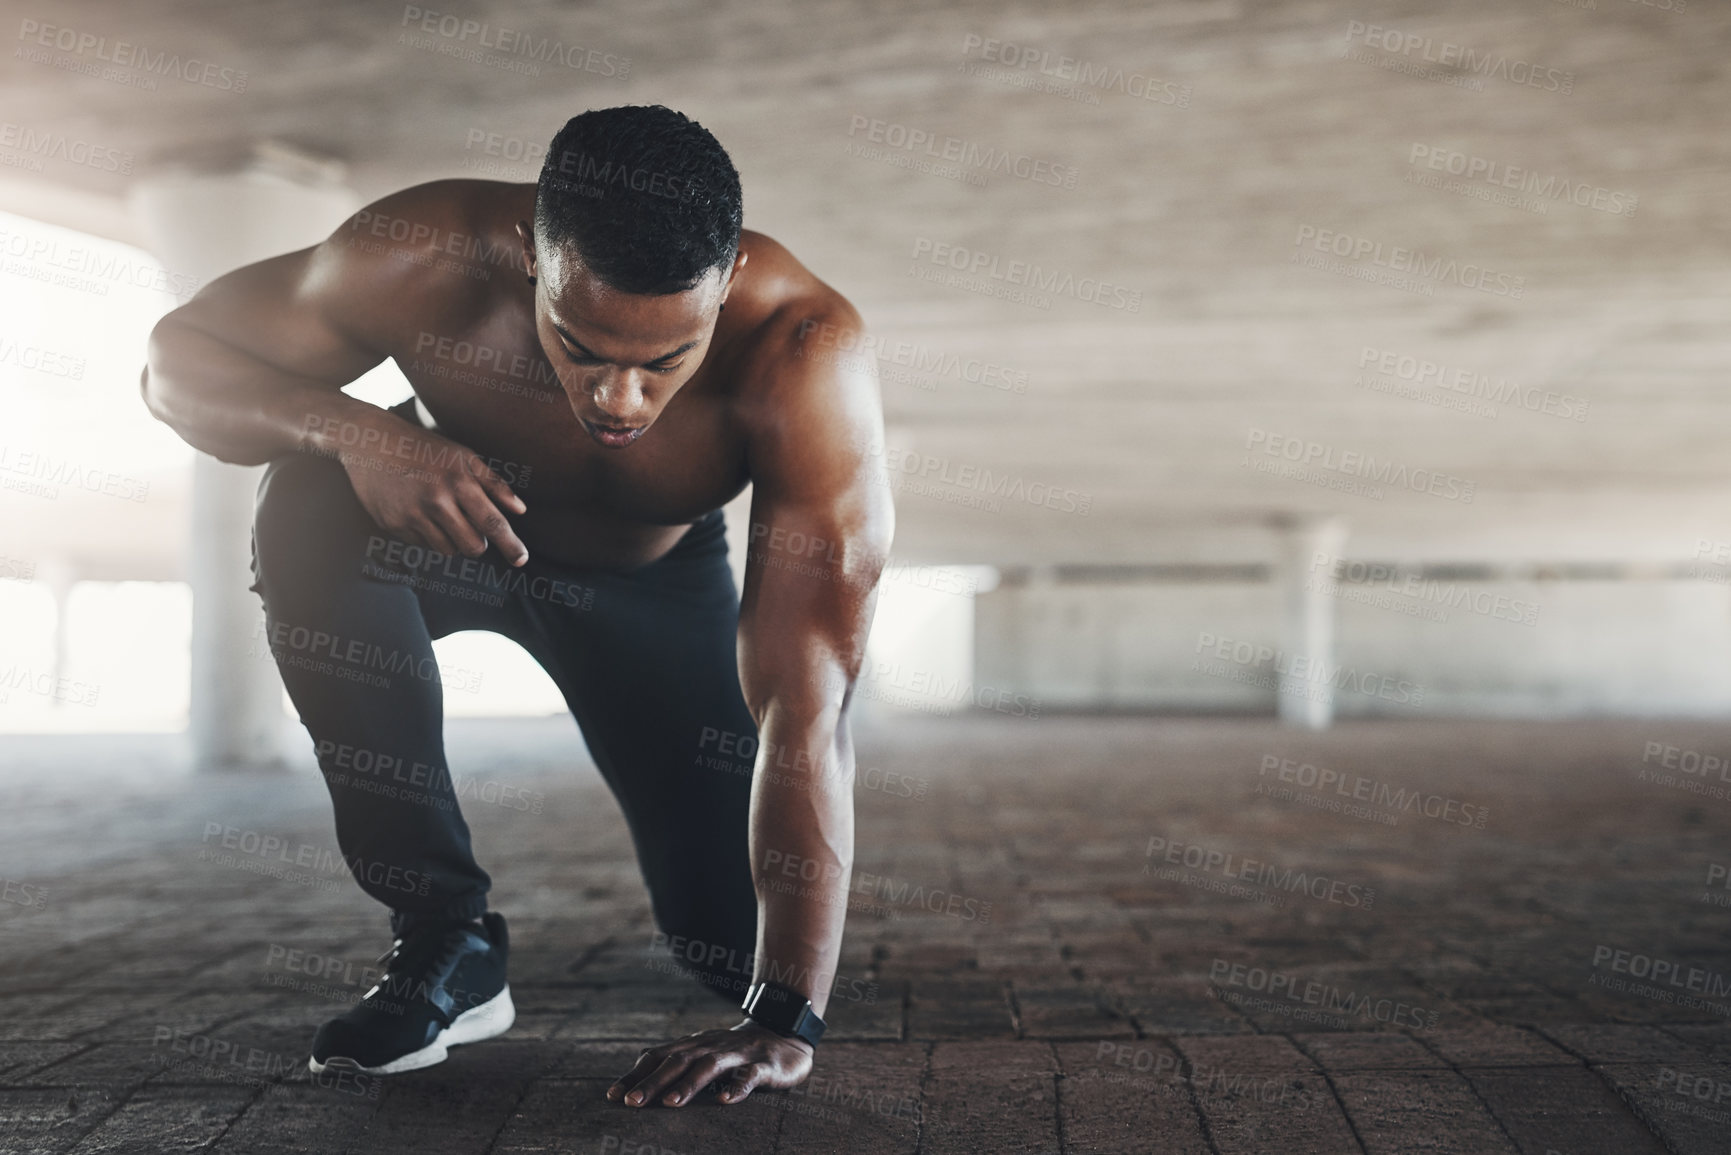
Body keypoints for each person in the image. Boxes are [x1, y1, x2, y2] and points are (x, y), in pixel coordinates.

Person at [141, 104, 893, 1109]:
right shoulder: (421, 259)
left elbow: (810, 710)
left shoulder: (803, 353)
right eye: (584, 348)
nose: (620, 398)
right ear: (533, 263)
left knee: (725, 937)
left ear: (723, 289)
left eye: (665, 360)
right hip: (453, 528)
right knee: (307, 502)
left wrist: (784, 1020)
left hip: (653, 588)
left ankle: (732, 950)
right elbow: (174, 365)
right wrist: (355, 429)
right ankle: (447, 937)